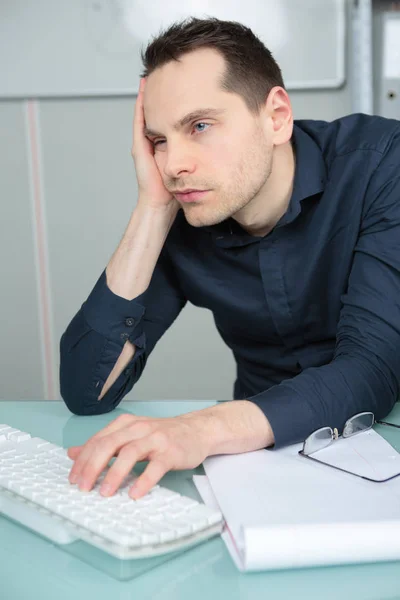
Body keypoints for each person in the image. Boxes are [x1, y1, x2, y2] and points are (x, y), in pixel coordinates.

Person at [60, 17, 400, 501]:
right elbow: (87, 390)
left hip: (384, 444)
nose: (174, 165)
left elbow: (369, 371)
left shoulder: (382, 165)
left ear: (276, 117)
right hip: (255, 465)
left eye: (199, 126)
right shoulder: (185, 207)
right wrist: (152, 209)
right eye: (158, 141)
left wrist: (200, 430)